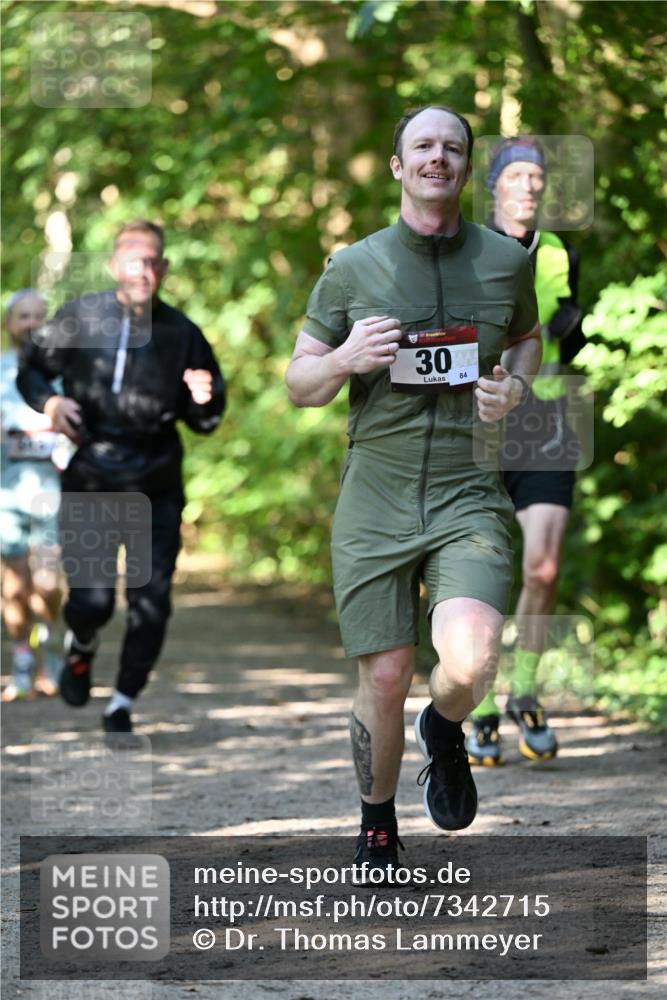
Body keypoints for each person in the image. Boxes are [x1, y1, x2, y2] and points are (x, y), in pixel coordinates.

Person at [285, 106, 542, 871]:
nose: (438, 157)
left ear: (464, 167)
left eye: (451, 147)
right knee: (386, 671)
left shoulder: (504, 262)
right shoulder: (352, 267)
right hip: (376, 492)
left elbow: (525, 340)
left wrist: (514, 389)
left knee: (471, 659)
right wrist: (343, 359)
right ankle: (376, 823)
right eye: (422, 146)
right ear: (398, 165)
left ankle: (443, 727)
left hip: (467, 491)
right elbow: (299, 383)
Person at [17, 220, 225, 735]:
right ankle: (82, 645)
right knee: (91, 602)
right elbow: (30, 370)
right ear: (114, 266)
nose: (143, 272)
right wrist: (52, 402)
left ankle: (122, 702)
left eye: (152, 262)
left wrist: (205, 399)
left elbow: (205, 419)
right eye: (133, 261)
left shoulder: (183, 333)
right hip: (92, 475)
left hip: (157, 483)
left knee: (151, 605)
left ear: (164, 269)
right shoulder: (79, 317)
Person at [467, 138, 585, 767]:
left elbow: (570, 333)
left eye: (537, 176)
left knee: (542, 569)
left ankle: (527, 692)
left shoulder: (561, 250)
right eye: (516, 174)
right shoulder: (466, 246)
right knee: (481, 571)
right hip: (481, 418)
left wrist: (578, 328)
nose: (529, 185)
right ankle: (481, 705)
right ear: (494, 185)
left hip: (546, 419)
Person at [1, 290, 63, 700]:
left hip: (51, 493)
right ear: (10, 324)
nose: (31, 324)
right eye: (23, 316)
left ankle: (50, 651)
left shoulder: (64, 372)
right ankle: (22, 664)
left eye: (39, 316)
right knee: (15, 589)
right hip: (5, 494)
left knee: (48, 583)